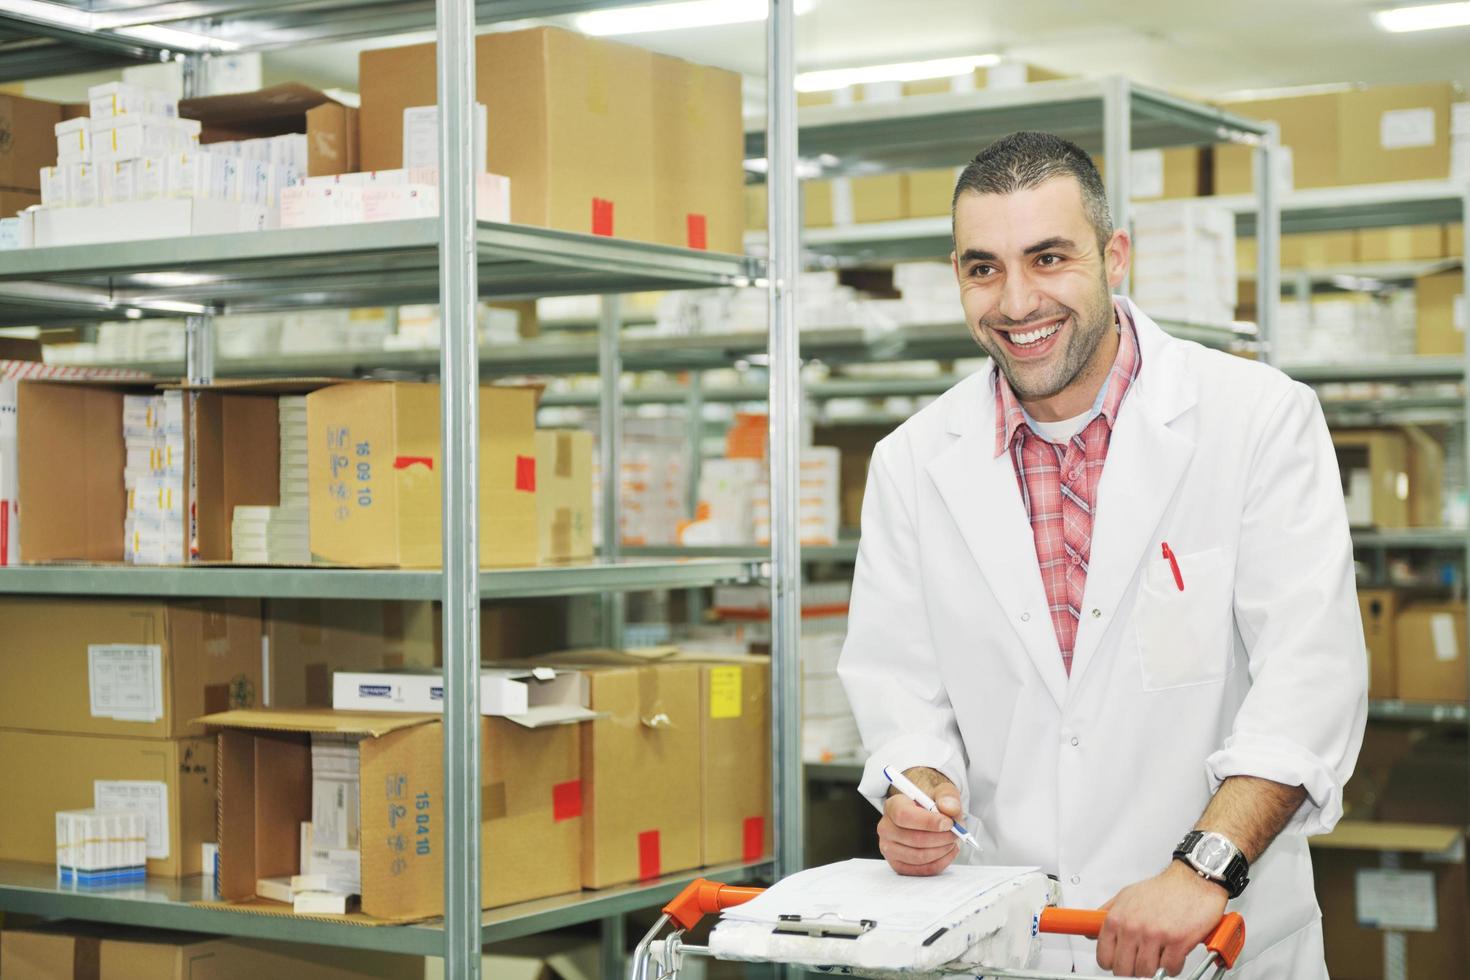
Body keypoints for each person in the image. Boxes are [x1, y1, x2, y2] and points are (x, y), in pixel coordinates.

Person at [836, 131, 1366, 978]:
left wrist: (1204, 869)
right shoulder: (913, 459)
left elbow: (1311, 679)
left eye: (1048, 258)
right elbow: (902, 685)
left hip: (1215, 942)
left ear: (1115, 256)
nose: (1015, 302)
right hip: (1006, 940)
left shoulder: (1257, 419)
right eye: (983, 268)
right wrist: (919, 788)